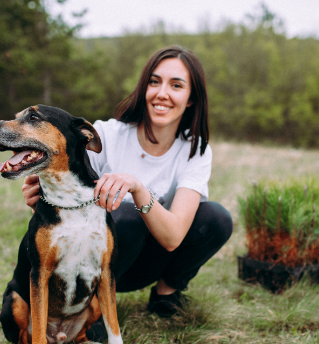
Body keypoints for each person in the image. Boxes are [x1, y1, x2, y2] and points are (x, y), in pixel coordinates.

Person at [21, 45, 233, 324]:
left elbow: (173, 238)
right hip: (95, 263)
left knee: (216, 218)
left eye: (176, 85)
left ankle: (165, 296)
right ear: (144, 88)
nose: (162, 93)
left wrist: (138, 187)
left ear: (191, 98)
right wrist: (40, 195)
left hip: (152, 260)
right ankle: (92, 309)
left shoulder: (196, 150)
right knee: (125, 215)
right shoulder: (107, 135)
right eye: (154, 82)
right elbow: (66, 204)